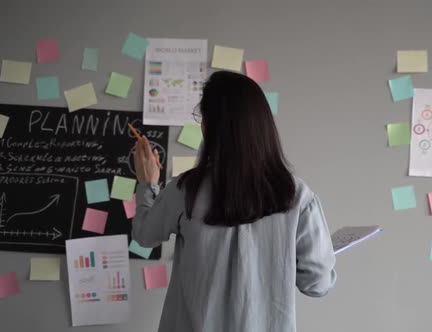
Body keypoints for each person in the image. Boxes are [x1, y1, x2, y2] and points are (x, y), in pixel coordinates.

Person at [132, 70, 336, 332]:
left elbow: (144, 236)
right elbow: (318, 284)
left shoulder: (185, 190)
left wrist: (147, 184)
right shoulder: (297, 197)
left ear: (208, 127)